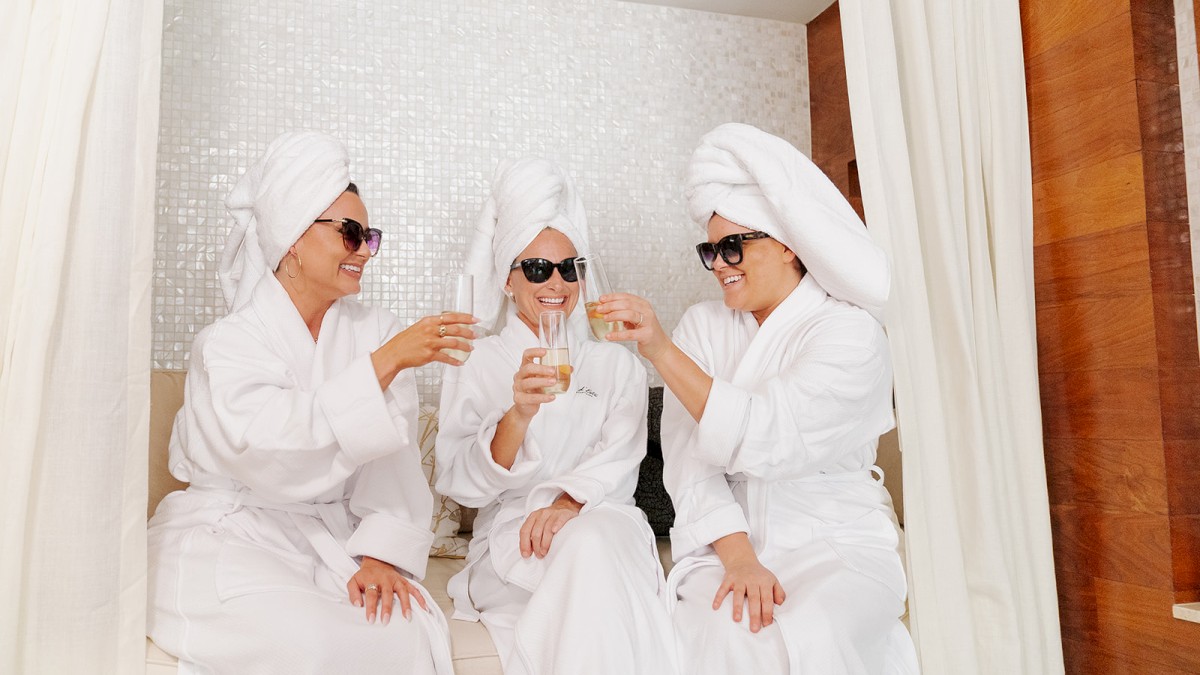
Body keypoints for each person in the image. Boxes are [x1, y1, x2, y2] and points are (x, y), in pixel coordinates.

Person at [596, 123, 919, 674]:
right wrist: (740, 559)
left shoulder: (850, 333)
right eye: (710, 250)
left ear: (791, 245)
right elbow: (688, 456)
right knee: (725, 632)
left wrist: (660, 351)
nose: (719, 264)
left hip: (835, 538)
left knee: (813, 632)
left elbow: (773, 431)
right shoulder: (703, 325)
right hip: (727, 543)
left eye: (732, 247)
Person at [146, 131, 472, 674]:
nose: (364, 251)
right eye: (349, 234)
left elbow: (391, 463)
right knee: (314, 645)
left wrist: (381, 554)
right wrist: (385, 363)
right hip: (228, 535)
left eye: (370, 237)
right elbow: (269, 450)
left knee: (397, 632)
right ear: (293, 238)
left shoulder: (377, 331)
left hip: (326, 539)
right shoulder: (228, 344)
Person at [434, 158, 678, 675]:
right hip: (516, 535)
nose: (558, 283)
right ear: (506, 279)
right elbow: (462, 485)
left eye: (570, 268)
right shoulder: (478, 361)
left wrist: (569, 502)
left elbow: (621, 461)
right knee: (590, 564)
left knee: (591, 540)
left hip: (603, 519)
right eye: (539, 269)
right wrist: (517, 415)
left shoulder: (617, 364)